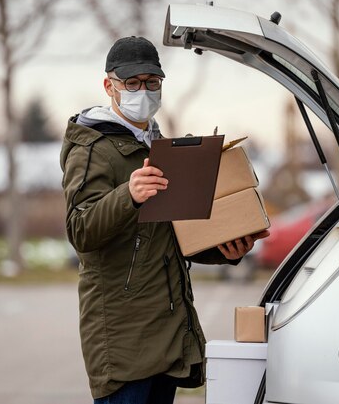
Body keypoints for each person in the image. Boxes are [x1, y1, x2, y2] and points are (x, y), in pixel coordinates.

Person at [60, 36, 269, 404]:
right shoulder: (92, 147)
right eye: (132, 83)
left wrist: (225, 250)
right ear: (109, 86)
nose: (143, 90)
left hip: (168, 328)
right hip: (122, 338)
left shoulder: (158, 145)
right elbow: (80, 230)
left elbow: (171, 236)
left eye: (151, 82)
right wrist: (129, 195)